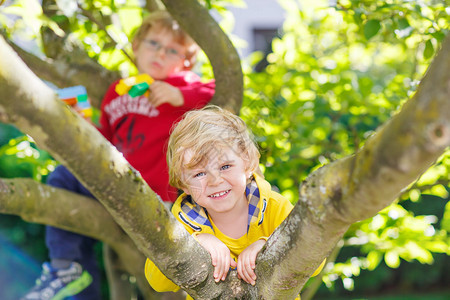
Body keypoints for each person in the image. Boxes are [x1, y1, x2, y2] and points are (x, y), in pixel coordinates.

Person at [22, 10, 215, 300]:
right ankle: (67, 268)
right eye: (153, 44)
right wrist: (83, 129)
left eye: (172, 50)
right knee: (63, 176)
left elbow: (219, 92)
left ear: (186, 61)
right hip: (116, 182)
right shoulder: (117, 92)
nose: (160, 53)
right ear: (136, 46)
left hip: (157, 195)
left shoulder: (185, 86)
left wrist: (181, 97)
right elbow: (110, 140)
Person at [145, 106, 324, 300]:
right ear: (183, 184)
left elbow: (315, 261)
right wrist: (193, 244)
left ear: (248, 164)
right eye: (199, 173)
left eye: (225, 166)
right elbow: (156, 281)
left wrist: (269, 247)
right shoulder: (182, 224)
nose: (215, 180)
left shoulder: (274, 206)